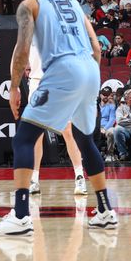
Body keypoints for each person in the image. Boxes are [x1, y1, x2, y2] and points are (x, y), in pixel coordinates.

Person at [0, 0, 118, 236]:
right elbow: (96, 46)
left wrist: (15, 86)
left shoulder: (30, 4)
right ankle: (105, 210)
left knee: (23, 137)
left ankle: (21, 215)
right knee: (84, 139)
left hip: (62, 72)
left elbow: (21, 50)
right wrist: (87, 75)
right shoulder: (72, 3)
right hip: (90, 70)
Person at [26, 43, 88, 196]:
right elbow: (18, 57)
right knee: (36, 134)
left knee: (67, 131)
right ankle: (34, 179)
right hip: (36, 82)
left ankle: (80, 177)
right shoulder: (28, 30)